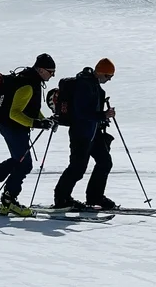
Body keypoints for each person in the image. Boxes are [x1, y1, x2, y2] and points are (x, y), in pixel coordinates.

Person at [0, 53, 58, 216]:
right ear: (40, 69)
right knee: (24, 164)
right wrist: (38, 123)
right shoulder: (28, 84)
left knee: (19, 161)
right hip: (13, 128)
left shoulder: (31, 81)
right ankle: (7, 200)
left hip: (13, 128)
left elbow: (29, 108)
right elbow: (15, 113)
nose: (52, 75)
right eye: (50, 71)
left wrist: (43, 120)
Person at [53, 58, 117, 210]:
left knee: (105, 162)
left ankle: (95, 197)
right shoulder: (84, 85)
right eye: (108, 76)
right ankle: (61, 199)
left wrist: (102, 118)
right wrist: (103, 115)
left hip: (93, 133)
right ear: (101, 73)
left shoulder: (95, 86)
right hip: (80, 133)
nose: (109, 80)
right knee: (77, 168)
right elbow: (80, 112)